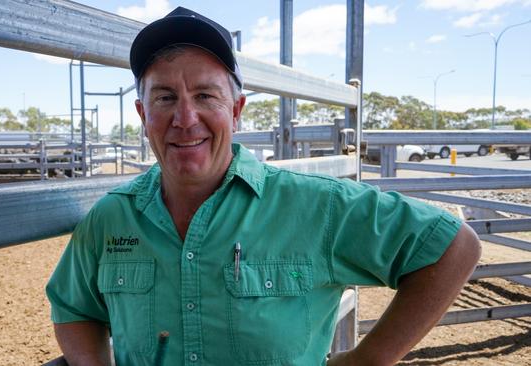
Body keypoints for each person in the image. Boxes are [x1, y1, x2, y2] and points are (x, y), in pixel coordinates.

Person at [46, 6, 481, 366]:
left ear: (236, 111)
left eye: (204, 96)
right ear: (143, 116)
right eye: (165, 98)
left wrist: (369, 359)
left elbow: (452, 247)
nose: (184, 118)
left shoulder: (314, 206)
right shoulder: (111, 218)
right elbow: (75, 308)